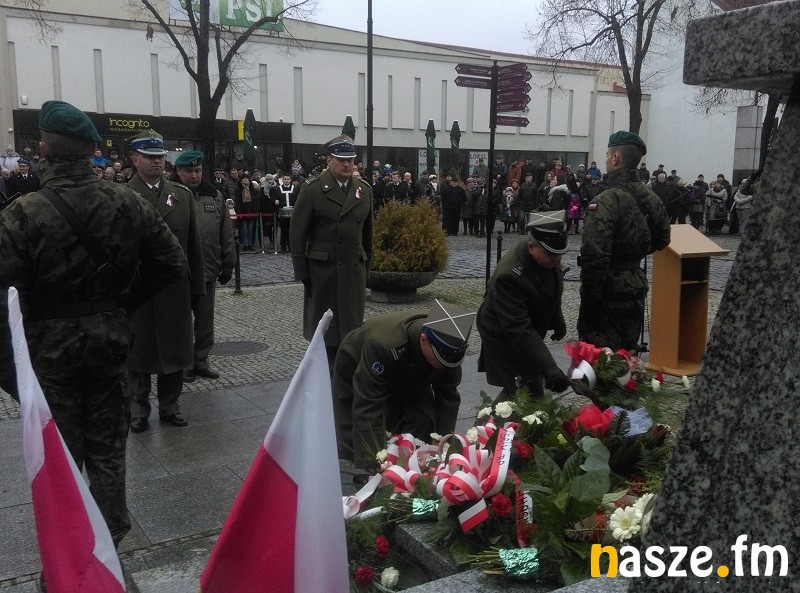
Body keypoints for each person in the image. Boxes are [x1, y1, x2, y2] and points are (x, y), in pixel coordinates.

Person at [0, 100, 185, 552]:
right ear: (90, 151)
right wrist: (119, 303)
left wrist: (14, 373)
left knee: (60, 459)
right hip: (108, 344)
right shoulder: (127, 201)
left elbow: (5, 298)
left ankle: (67, 555)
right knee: (108, 453)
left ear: (44, 149)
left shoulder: (21, 214)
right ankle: (108, 545)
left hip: (50, 353)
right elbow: (170, 262)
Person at [333, 300, 475, 467]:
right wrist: (372, 464)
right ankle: (366, 467)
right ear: (424, 340)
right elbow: (368, 406)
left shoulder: (449, 349)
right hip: (357, 364)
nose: (444, 365)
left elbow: (448, 398)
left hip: (412, 367)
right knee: (357, 435)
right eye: (440, 360)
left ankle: (410, 463)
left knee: (423, 419)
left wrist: (443, 445)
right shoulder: (384, 345)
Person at [127, 129, 205, 432]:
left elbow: (193, 248)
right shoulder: (122, 196)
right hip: (140, 291)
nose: (157, 161)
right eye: (149, 157)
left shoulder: (181, 196)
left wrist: (197, 290)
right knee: (138, 354)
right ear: (135, 160)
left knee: (174, 351)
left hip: (175, 289)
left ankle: (171, 405)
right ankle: (138, 409)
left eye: (160, 156)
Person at [578, 131, 671, 351]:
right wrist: (634, 250)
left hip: (608, 291)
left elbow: (595, 256)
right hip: (635, 286)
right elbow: (663, 238)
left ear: (616, 157)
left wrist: (590, 301)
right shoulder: (651, 198)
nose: (605, 160)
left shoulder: (606, 200)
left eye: (607, 155)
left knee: (600, 359)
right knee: (627, 355)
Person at [290, 134, 373, 369]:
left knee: (351, 332)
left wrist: (365, 271)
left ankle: (345, 376)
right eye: (341, 160)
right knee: (325, 333)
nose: (347, 165)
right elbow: (297, 235)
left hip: (353, 271)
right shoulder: (313, 190)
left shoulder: (364, 190)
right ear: (329, 160)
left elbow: (368, 236)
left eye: (351, 160)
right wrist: (304, 275)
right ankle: (323, 376)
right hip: (323, 273)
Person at [477, 211, 570, 401]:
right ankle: (488, 421)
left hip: (525, 324)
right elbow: (518, 328)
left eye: (559, 253)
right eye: (550, 254)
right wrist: (550, 368)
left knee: (525, 387)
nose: (556, 258)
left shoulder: (545, 254)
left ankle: (496, 419)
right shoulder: (509, 276)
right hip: (502, 333)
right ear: (530, 247)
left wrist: (556, 318)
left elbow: (552, 286)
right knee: (526, 388)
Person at [172, 151, 235, 383]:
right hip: (180, 272)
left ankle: (201, 359)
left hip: (207, 269)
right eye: (189, 171)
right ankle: (185, 362)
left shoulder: (215, 196)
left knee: (205, 320)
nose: (194, 175)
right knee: (181, 321)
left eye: (197, 171)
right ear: (178, 171)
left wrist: (228, 263)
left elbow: (225, 233)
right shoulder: (171, 195)